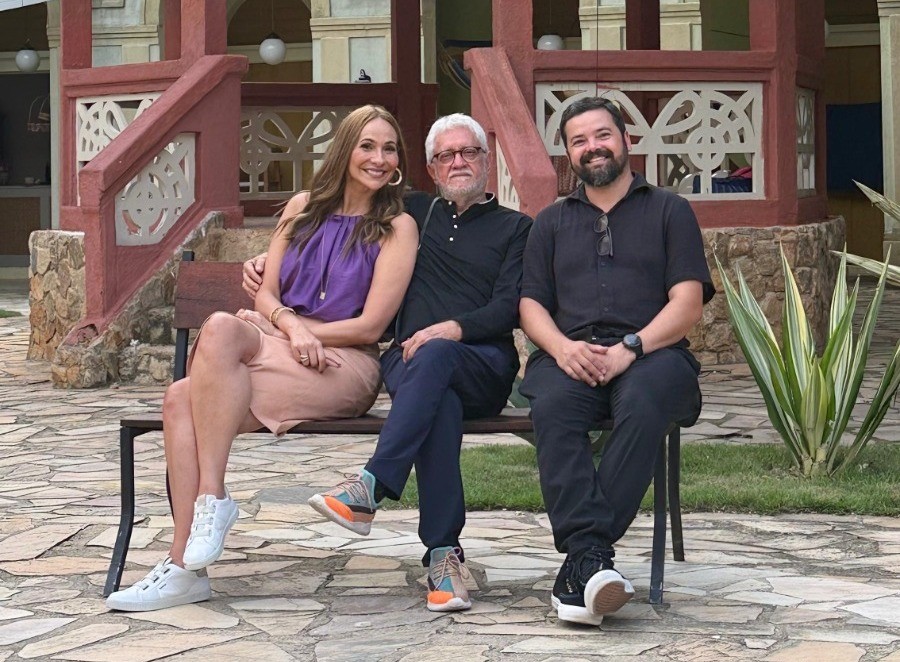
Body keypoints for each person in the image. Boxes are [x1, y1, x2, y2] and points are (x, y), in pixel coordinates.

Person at [105, 105, 419, 612]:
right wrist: (291, 327)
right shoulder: (300, 208)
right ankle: (206, 516)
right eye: (367, 146)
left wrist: (294, 330)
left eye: (389, 149)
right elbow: (267, 294)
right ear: (345, 149)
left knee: (184, 397)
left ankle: (187, 558)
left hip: (344, 365)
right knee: (204, 355)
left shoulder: (397, 227)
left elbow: (369, 327)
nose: (379, 158)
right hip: (285, 345)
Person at [242, 113, 532, 612]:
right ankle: (443, 558)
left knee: (437, 358)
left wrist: (452, 328)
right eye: (446, 155)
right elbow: (336, 223)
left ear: (486, 160)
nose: (458, 162)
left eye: (469, 152)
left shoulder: (516, 227)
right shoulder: (411, 213)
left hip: (482, 363)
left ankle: (372, 485)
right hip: (410, 363)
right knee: (436, 402)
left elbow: (510, 306)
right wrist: (265, 260)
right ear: (431, 168)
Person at [518, 97, 714, 625]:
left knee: (647, 399)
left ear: (626, 140)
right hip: (572, 355)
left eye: (602, 135)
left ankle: (585, 558)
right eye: (578, 141)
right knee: (552, 406)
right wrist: (562, 348)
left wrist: (633, 347)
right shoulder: (550, 222)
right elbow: (531, 305)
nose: (592, 147)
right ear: (568, 154)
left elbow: (688, 303)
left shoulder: (670, 210)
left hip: (654, 355)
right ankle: (592, 565)